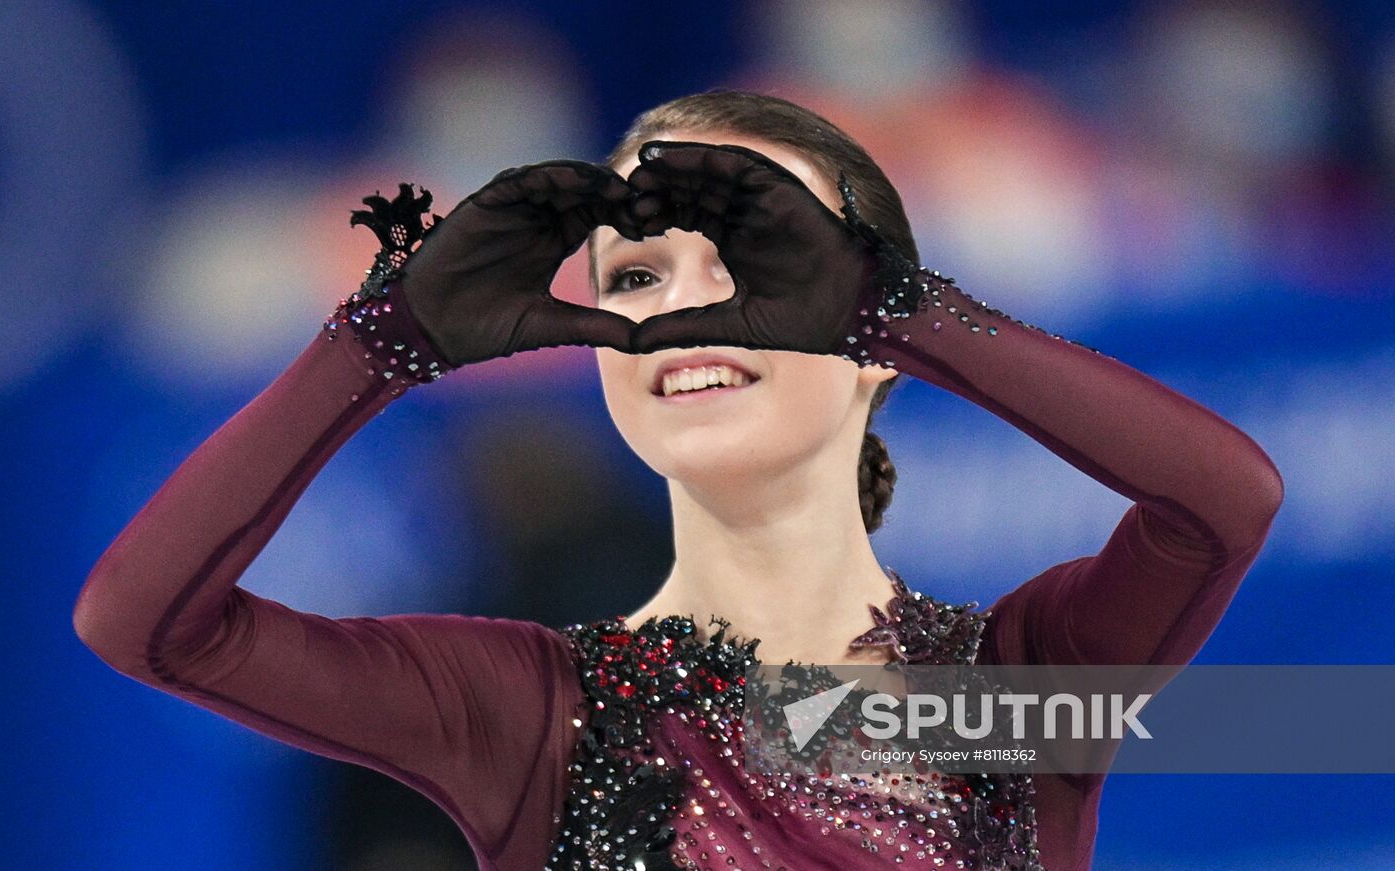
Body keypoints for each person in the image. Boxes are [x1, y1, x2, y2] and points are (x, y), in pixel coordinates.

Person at [72, 89, 1284, 870]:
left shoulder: (998, 696)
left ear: (875, 349)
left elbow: (1221, 502)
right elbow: (144, 624)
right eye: (640, 277)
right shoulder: (533, 712)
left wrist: (904, 310)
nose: (694, 307)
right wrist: (376, 344)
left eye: (758, 263)